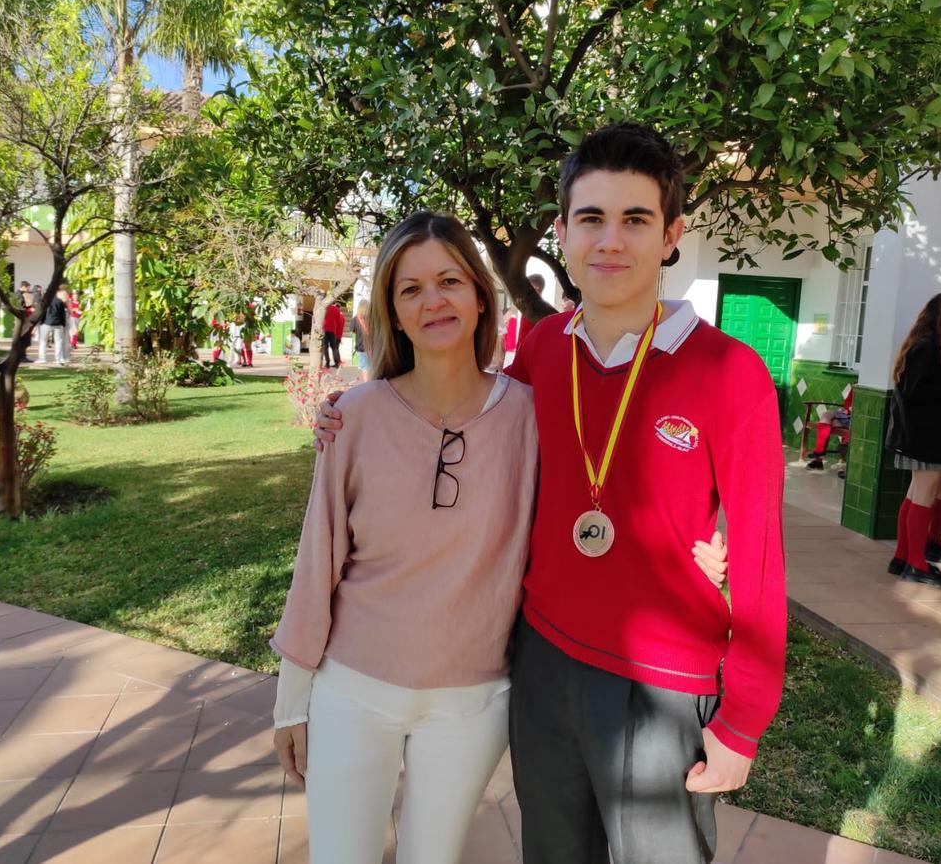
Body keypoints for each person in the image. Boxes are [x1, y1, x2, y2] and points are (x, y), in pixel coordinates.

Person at [312, 123, 781, 864]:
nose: (610, 241)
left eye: (636, 219)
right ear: (561, 233)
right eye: (591, 218)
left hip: (663, 682)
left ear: (672, 234)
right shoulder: (540, 351)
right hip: (543, 662)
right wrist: (351, 412)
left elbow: (760, 557)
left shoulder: (730, 372)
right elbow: (457, 418)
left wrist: (743, 720)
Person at [885, 293, 941, 585]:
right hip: (927, 436)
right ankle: (916, 563)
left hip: (921, 435)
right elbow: (918, 393)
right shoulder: (928, 348)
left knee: (914, 495)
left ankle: (903, 557)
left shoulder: (924, 345)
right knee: (922, 496)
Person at [805, 387, 853, 473]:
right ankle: (819, 453)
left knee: (827, 425)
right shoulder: (856, 385)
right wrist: (847, 408)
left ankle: (818, 458)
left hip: (855, 418)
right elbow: (847, 403)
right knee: (826, 415)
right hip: (845, 415)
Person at [36, 286, 69, 365]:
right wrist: (63, 324)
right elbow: (62, 314)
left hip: (46, 323)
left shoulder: (44, 301)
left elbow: (41, 313)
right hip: (58, 323)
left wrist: (41, 322)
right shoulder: (59, 301)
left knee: (43, 341)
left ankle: (42, 358)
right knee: (58, 341)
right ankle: (57, 359)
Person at [351, 299, 372, 381]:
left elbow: (352, 329)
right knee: (373, 367)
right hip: (373, 347)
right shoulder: (372, 318)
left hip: (361, 347)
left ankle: (367, 385)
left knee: (365, 368)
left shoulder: (356, 319)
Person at [322, 301, 344, 369]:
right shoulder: (337, 310)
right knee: (334, 347)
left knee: (325, 347)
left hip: (325, 329)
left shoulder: (325, 308)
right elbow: (338, 321)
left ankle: (327, 363)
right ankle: (336, 363)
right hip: (333, 331)